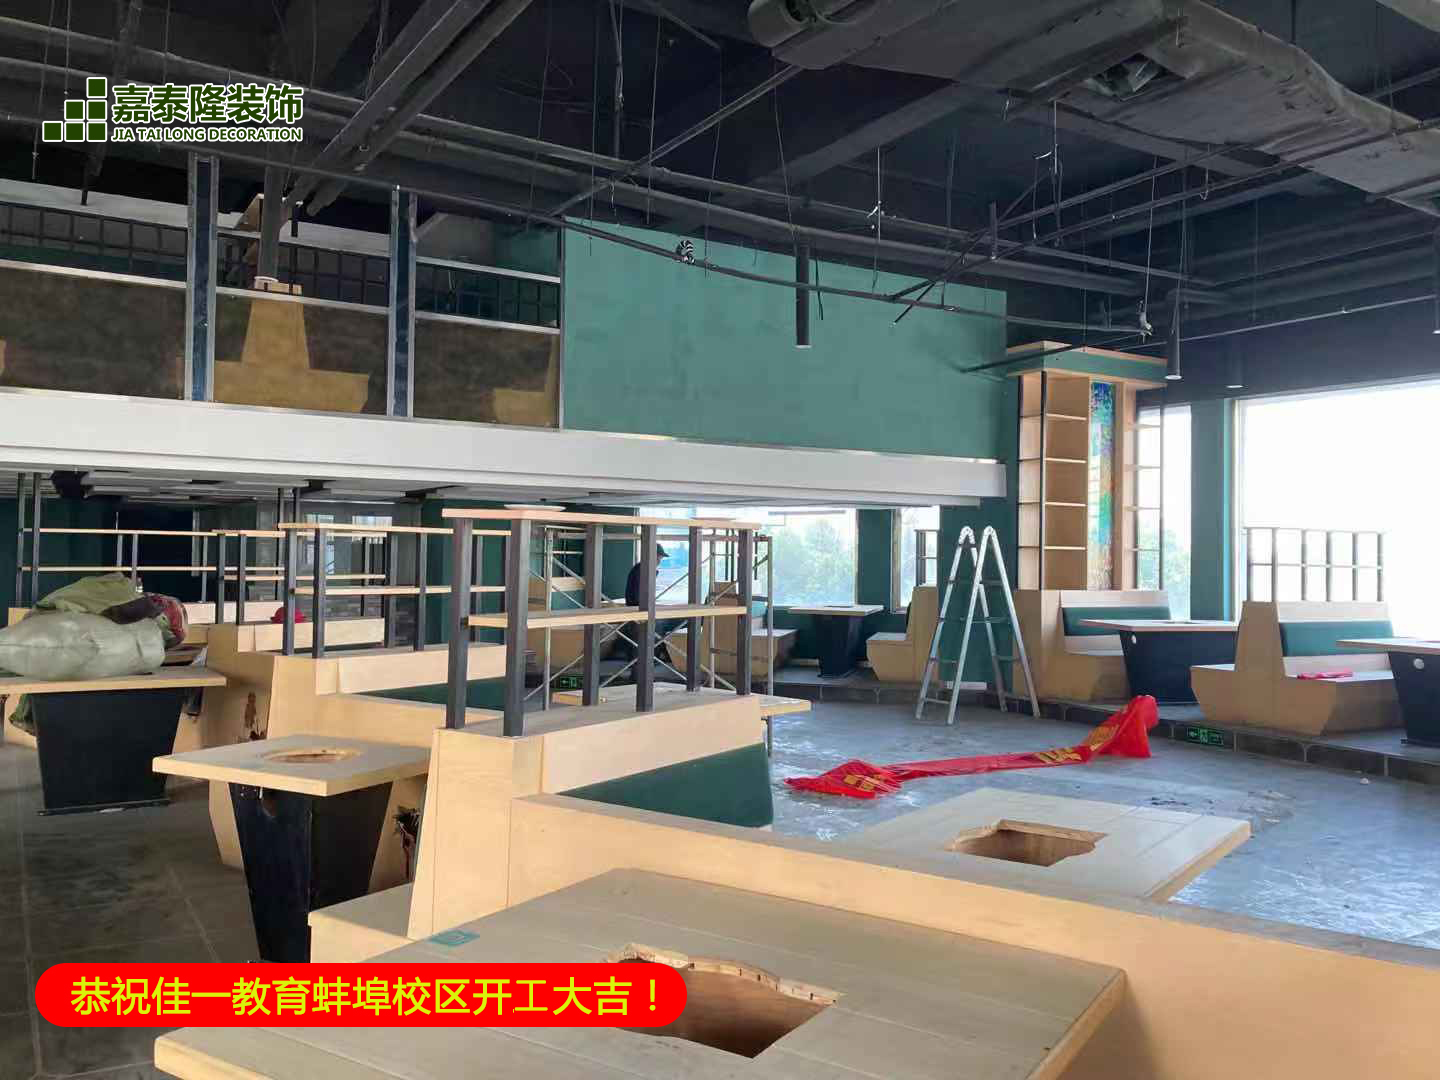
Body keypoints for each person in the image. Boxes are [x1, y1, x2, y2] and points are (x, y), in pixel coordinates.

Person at [622, 545, 679, 663]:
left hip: (639, 609)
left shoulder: (644, 569)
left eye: (660, 558)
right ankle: (649, 659)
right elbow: (638, 596)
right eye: (658, 558)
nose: (659, 561)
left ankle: (653, 657)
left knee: (660, 624)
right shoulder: (642, 570)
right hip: (637, 611)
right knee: (657, 626)